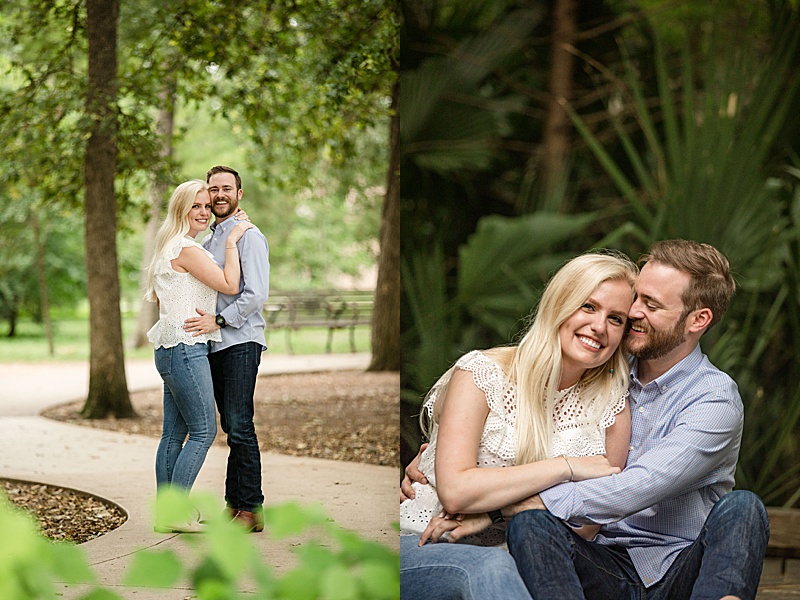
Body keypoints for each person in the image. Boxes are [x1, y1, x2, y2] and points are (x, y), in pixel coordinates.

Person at [405, 240, 770, 600]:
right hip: (595, 564)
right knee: (532, 525)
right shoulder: (602, 371)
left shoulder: (713, 398)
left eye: (650, 304)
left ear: (698, 319)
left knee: (743, 508)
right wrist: (439, 456)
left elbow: (638, 485)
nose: (633, 313)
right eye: (636, 300)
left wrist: (499, 510)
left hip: (675, 570)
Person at [400, 251, 639, 600]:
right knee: (490, 567)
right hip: (423, 542)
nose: (599, 327)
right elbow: (456, 490)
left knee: (505, 570)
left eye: (615, 319)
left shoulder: (611, 410)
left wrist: (496, 512)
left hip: (527, 566)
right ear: (560, 304)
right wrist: (567, 469)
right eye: (588, 307)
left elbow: (586, 527)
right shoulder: (483, 374)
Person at [144, 179, 254, 531]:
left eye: (207, 206)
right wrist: (234, 240)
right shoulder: (186, 249)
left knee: (173, 435)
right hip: (186, 350)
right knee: (204, 431)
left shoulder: (174, 246)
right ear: (181, 209)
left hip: (171, 349)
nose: (204, 212)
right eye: (196, 206)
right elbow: (230, 285)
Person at [183, 165, 270, 533]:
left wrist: (219, 321)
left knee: (239, 424)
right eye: (213, 188)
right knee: (230, 425)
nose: (219, 195)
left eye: (226, 188)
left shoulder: (248, 236)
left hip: (241, 341)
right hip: (216, 345)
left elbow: (256, 295)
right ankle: (234, 505)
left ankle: (251, 508)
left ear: (239, 194)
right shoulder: (211, 239)